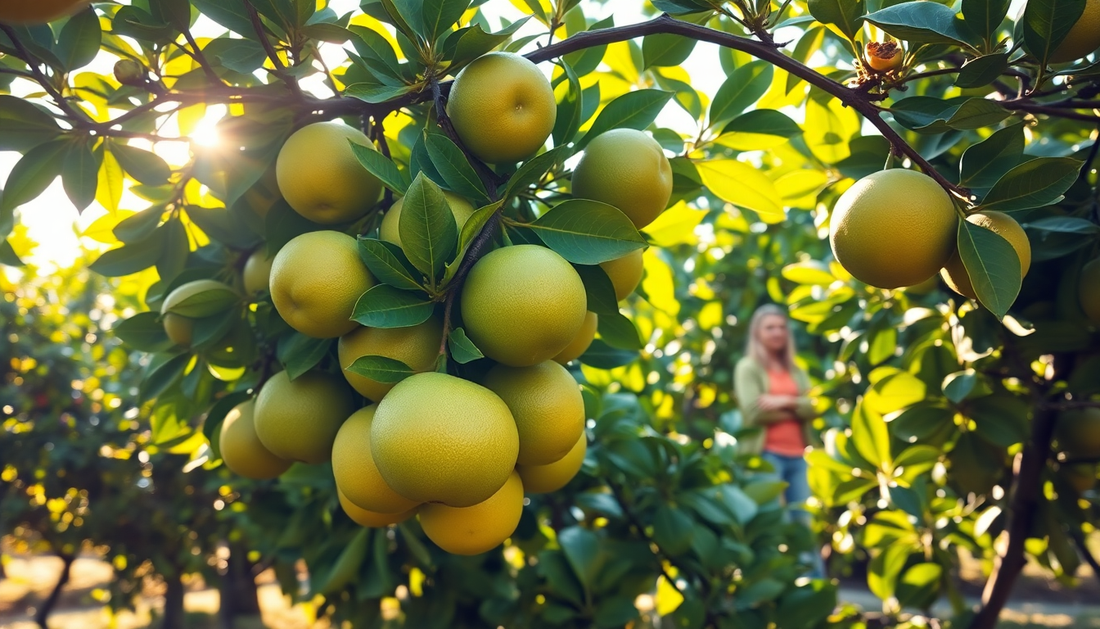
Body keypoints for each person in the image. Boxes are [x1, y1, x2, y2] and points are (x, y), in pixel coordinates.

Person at [734, 303, 825, 578]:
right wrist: (797, 408)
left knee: (803, 525)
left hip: (800, 456)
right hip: (767, 456)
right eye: (770, 327)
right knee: (772, 524)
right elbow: (752, 412)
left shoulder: (796, 369)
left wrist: (782, 401)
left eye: (782, 327)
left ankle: (814, 589)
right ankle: (773, 589)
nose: (777, 332)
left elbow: (816, 406)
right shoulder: (748, 367)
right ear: (757, 333)